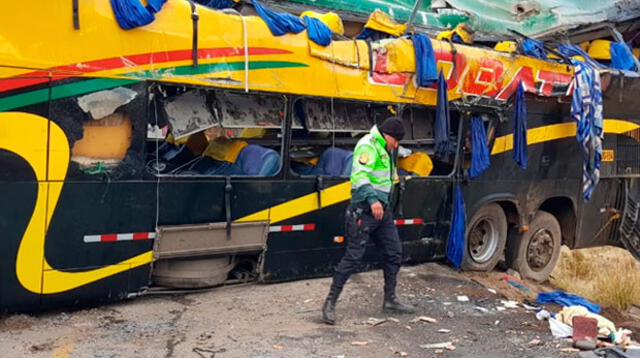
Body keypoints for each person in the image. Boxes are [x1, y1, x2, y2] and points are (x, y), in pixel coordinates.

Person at [321, 116, 416, 325]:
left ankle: (390, 300)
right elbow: (359, 176)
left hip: (383, 212)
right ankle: (329, 303)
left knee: (394, 253)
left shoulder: (386, 148)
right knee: (353, 257)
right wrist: (373, 199)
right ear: (388, 135)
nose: (397, 144)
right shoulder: (368, 145)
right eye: (396, 140)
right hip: (363, 210)